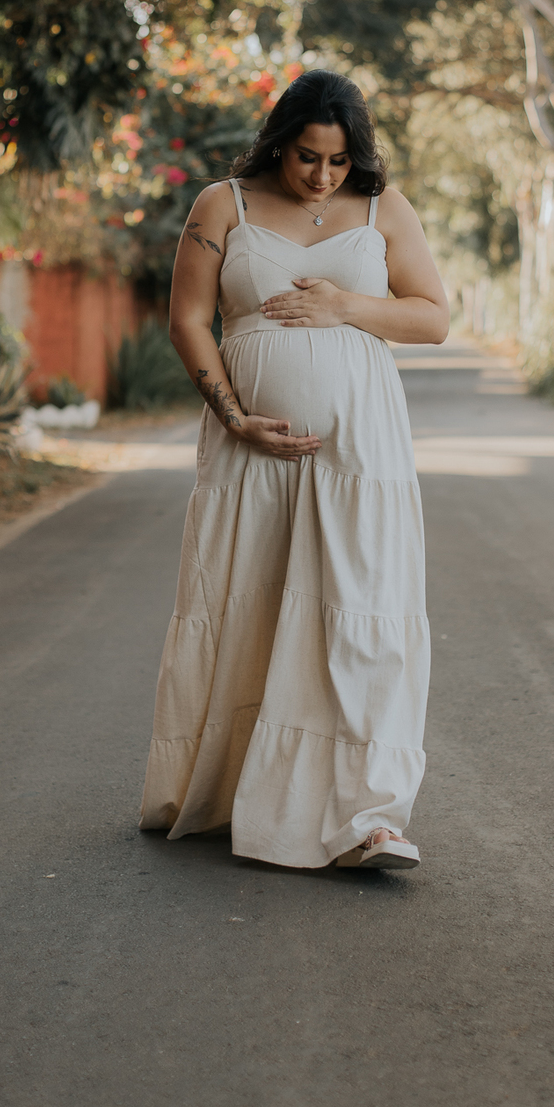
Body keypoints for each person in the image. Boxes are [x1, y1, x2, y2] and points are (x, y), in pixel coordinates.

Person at [138, 69, 449, 871]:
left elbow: (433, 318)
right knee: (252, 612)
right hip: (251, 451)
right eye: (308, 156)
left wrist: (346, 306)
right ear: (279, 142)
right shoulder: (224, 206)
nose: (322, 176)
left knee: (363, 615)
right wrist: (234, 417)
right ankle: (239, 788)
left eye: (339, 161)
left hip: (361, 455)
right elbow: (187, 320)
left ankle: (369, 817)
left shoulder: (384, 210)